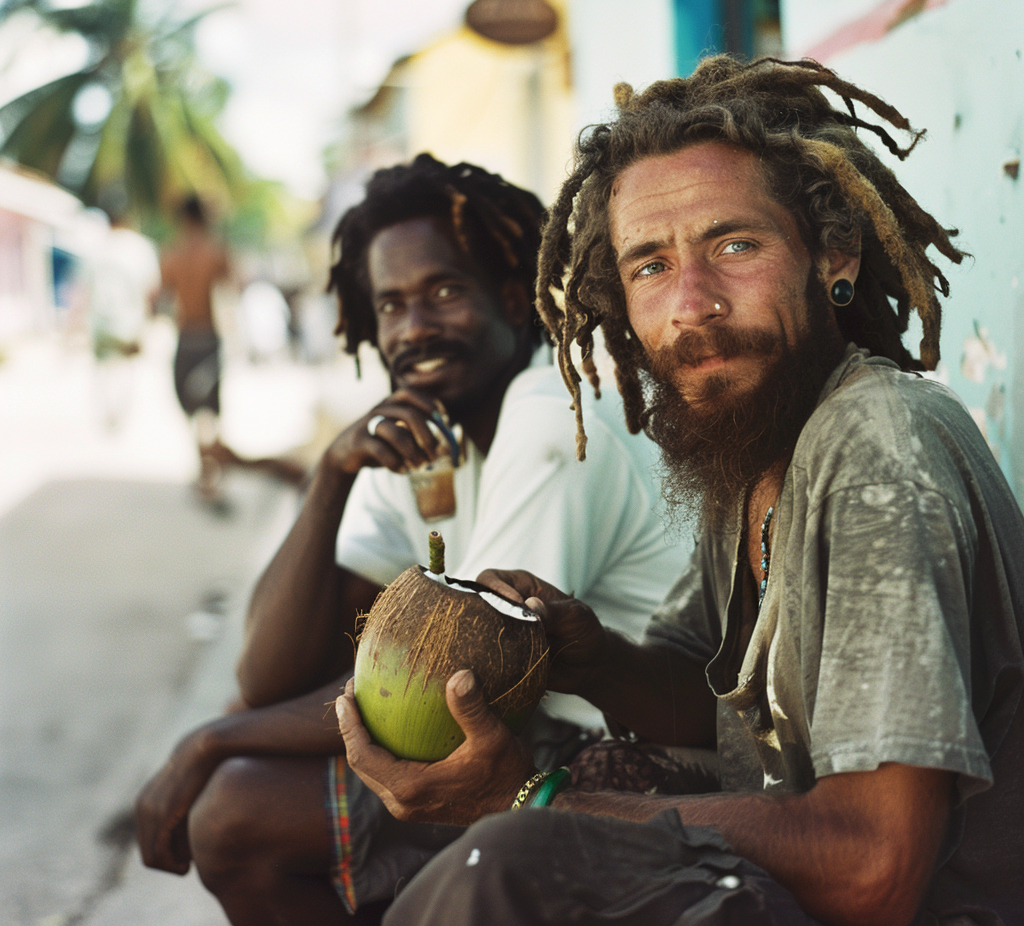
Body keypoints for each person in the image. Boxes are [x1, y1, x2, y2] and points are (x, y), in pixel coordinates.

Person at [334, 59, 1024, 926]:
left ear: (833, 253)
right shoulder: (748, 444)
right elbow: (715, 720)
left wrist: (532, 798)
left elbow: (873, 868)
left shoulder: (875, 448)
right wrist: (595, 658)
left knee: (507, 862)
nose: (691, 305)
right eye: (651, 266)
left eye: (736, 245)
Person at [135, 154, 692, 924]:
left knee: (238, 812)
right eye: (391, 305)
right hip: (537, 733)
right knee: (244, 785)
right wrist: (332, 474)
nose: (414, 328)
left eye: (444, 292)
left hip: (646, 755)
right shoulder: (432, 426)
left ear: (510, 294)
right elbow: (271, 673)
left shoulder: (557, 412)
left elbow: (443, 687)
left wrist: (207, 743)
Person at [159, 194, 231, 499]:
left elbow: (162, 299)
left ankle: (205, 470)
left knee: (192, 409)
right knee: (208, 412)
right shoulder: (216, 252)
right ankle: (209, 470)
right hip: (209, 337)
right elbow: (230, 294)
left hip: (185, 337)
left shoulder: (171, 255)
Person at [87, 207, 160, 430]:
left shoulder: (97, 247)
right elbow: (153, 290)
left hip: (99, 323)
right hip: (129, 323)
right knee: (127, 368)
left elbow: (83, 289)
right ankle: (120, 412)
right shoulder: (141, 247)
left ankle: (108, 411)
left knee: (102, 370)